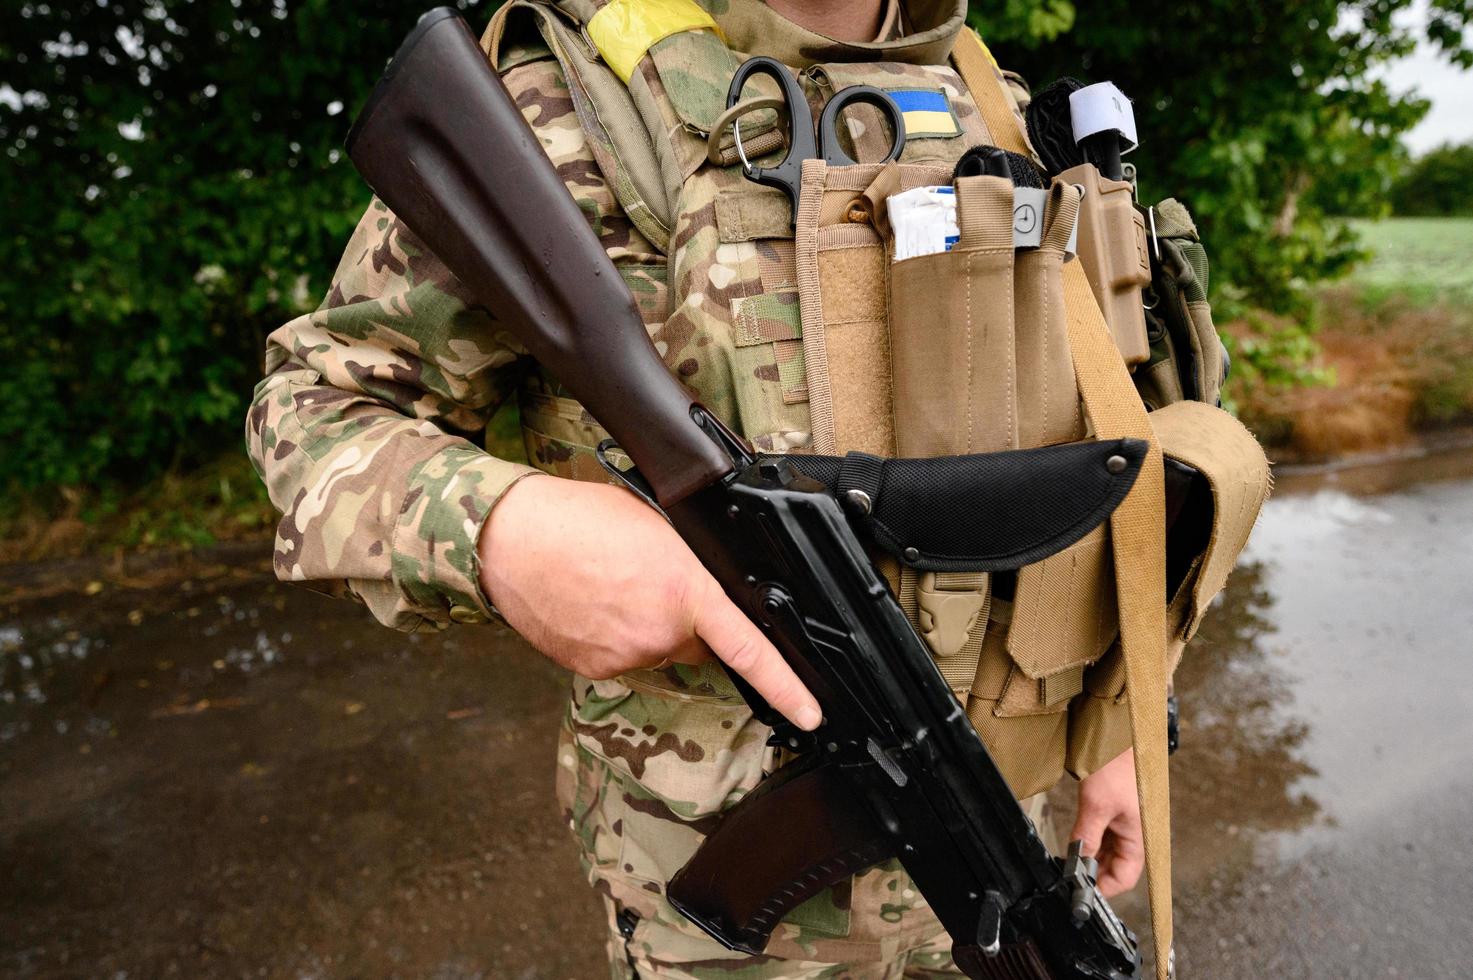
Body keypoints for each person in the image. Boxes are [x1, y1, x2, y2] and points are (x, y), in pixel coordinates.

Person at [247, 0, 1148, 975]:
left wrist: (1117, 725)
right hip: (716, 913)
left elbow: (1077, 463)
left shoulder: (989, 105)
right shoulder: (576, 104)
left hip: (996, 829)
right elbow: (312, 411)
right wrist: (502, 530)